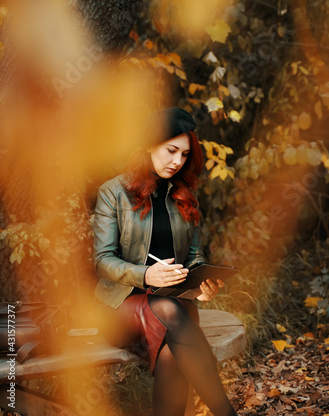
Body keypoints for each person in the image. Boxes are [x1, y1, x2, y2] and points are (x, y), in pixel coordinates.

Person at [93, 107, 237, 416]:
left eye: (184, 155)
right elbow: (103, 261)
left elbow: (195, 257)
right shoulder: (113, 193)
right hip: (120, 309)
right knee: (171, 311)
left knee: (173, 348)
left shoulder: (185, 196)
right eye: (171, 150)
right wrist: (146, 275)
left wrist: (202, 286)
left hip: (176, 308)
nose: (178, 161)